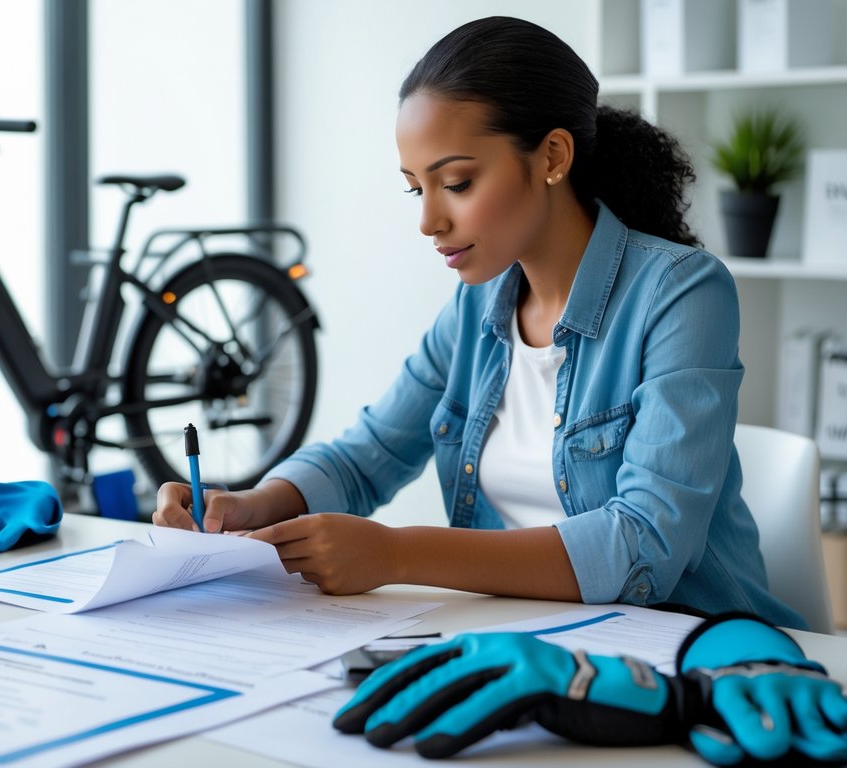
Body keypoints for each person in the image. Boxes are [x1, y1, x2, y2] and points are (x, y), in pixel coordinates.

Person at [152, 16, 804, 630]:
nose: (427, 220)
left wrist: (396, 553)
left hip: (692, 652)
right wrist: (252, 504)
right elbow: (367, 456)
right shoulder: (476, 306)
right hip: (528, 641)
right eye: (416, 188)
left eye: (456, 183)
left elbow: (645, 545)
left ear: (551, 156)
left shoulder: (680, 292)